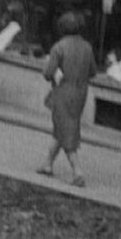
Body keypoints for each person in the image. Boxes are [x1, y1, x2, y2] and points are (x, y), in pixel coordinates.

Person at [39, 10, 97, 186]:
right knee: (63, 127)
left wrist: (48, 67)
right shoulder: (87, 47)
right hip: (80, 93)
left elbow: (48, 73)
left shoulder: (59, 47)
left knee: (66, 130)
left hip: (63, 92)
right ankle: (48, 163)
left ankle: (77, 171)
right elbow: (93, 72)